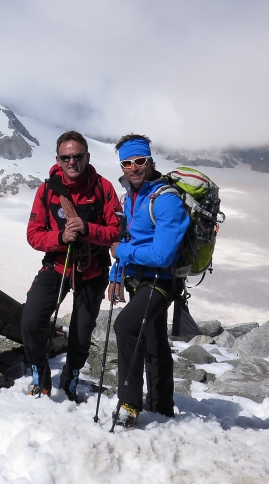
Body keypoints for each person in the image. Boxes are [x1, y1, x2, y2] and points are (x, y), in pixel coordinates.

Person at [22, 131, 122, 399]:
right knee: (31, 320)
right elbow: (33, 234)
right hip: (57, 265)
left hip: (92, 269)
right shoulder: (47, 191)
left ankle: (69, 381)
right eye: (66, 157)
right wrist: (60, 237)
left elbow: (116, 231)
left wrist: (87, 229)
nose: (72, 162)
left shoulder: (102, 187)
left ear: (87, 157)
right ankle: (40, 376)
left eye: (78, 156)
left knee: (81, 332)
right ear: (58, 159)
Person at [109, 134, 190, 427]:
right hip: (139, 278)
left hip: (161, 280)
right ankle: (162, 406)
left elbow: (162, 255)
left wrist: (122, 252)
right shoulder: (130, 196)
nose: (134, 167)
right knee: (154, 341)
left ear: (150, 161)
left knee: (126, 326)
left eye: (140, 161)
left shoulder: (165, 200)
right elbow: (128, 237)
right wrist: (116, 274)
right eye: (127, 162)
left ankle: (129, 402)